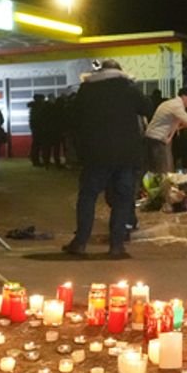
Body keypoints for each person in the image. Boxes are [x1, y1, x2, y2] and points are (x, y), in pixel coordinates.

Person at [63, 59, 151, 259]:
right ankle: (117, 245)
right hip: (126, 154)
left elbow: (73, 117)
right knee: (122, 198)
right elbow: (147, 107)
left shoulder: (87, 89)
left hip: (96, 153)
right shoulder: (128, 88)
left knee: (88, 196)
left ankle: (80, 242)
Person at [143, 87, 187, 178]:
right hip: (156, 139)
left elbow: (179, 123)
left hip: (157, 139)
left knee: (164, 169)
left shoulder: (171, 103)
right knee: (162, 170)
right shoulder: (176, 106)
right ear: (185, 97)